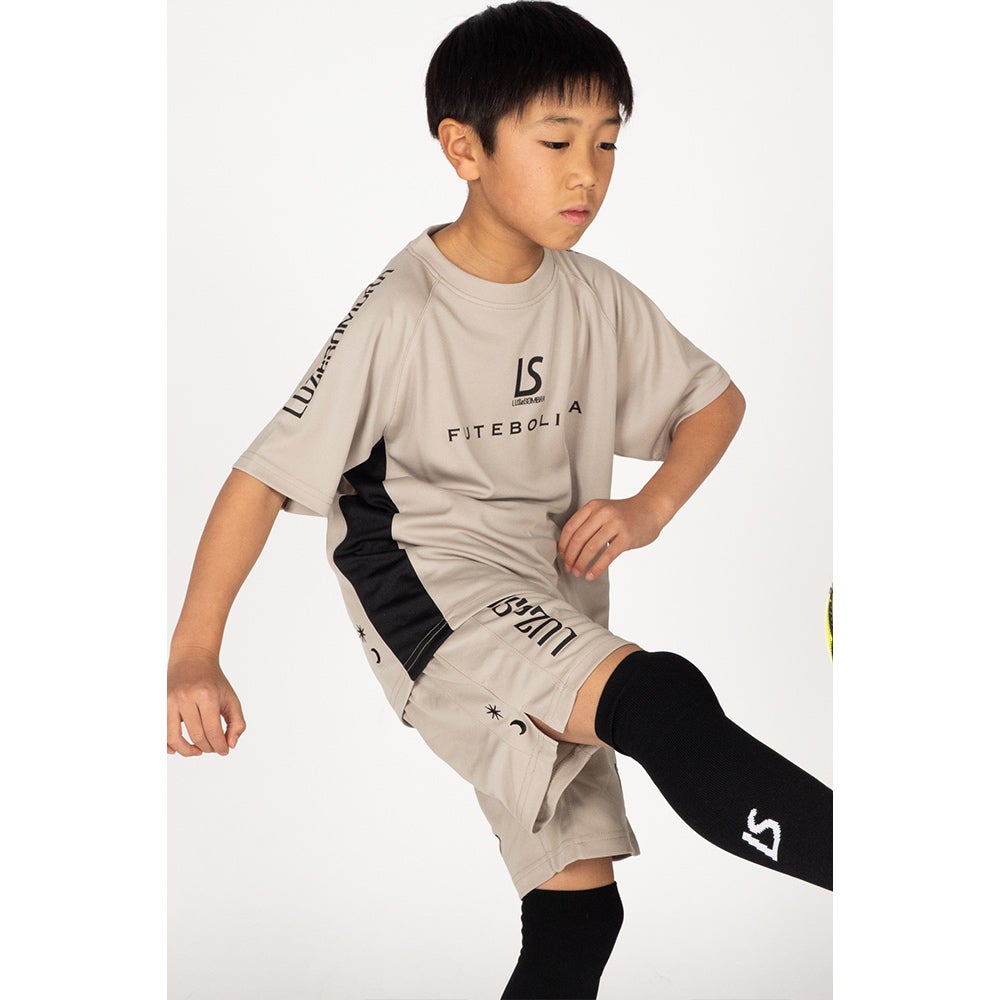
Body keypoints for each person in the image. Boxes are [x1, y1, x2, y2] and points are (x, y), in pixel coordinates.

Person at [167, 2, 832, 996]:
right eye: (557, 142)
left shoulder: (592, 294)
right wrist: (194, 652)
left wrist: (649, 509)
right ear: (463, 148)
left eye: (607, 143)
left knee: (579, 913)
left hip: (548, 599)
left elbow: (713, 402)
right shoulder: (403, 309)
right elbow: (263, 474)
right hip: (434, 597)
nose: (587, 174)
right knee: (659, 699)